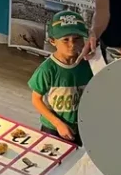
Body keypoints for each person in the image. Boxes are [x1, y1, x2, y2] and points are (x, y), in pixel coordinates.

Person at [29, 10, 95, 144]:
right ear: (52, 41)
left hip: (82, 126)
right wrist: (58, 123)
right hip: (53, 127)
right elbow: (36, 99)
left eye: (77, 39)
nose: (72, 44)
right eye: (65, 39)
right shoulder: (47, 69)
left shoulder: (89, 64)